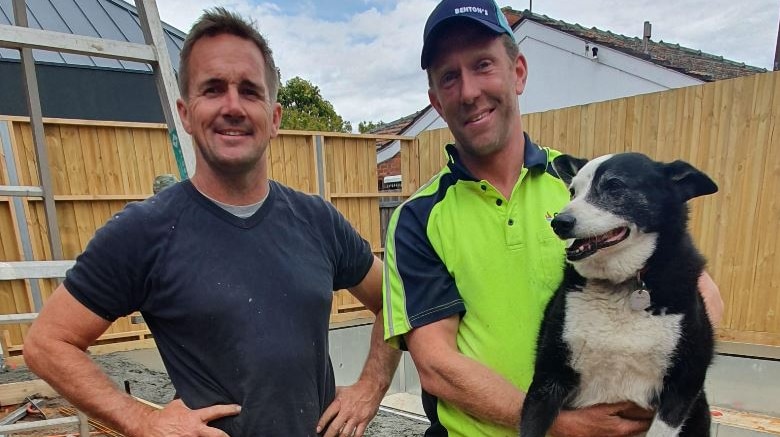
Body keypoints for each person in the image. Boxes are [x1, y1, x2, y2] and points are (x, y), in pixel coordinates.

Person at [24, 7, 400, 437]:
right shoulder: (145, 232)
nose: (233, 106)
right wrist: (145, 421)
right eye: (213, 89)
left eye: (250, 91)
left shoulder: (317, 220)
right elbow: (46, 343)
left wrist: (371, 386)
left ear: (274, 117)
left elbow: (394, 300)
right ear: (186, 112)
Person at [382, 1, 724, 436]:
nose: (468, 91)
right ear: (435, 100)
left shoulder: (583, 185)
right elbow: (437, 366)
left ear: (518, 72)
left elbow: (702, 297)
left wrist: (647, 385)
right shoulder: (418, 218)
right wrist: (562, 425)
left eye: (483, 64)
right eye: (449, 77)